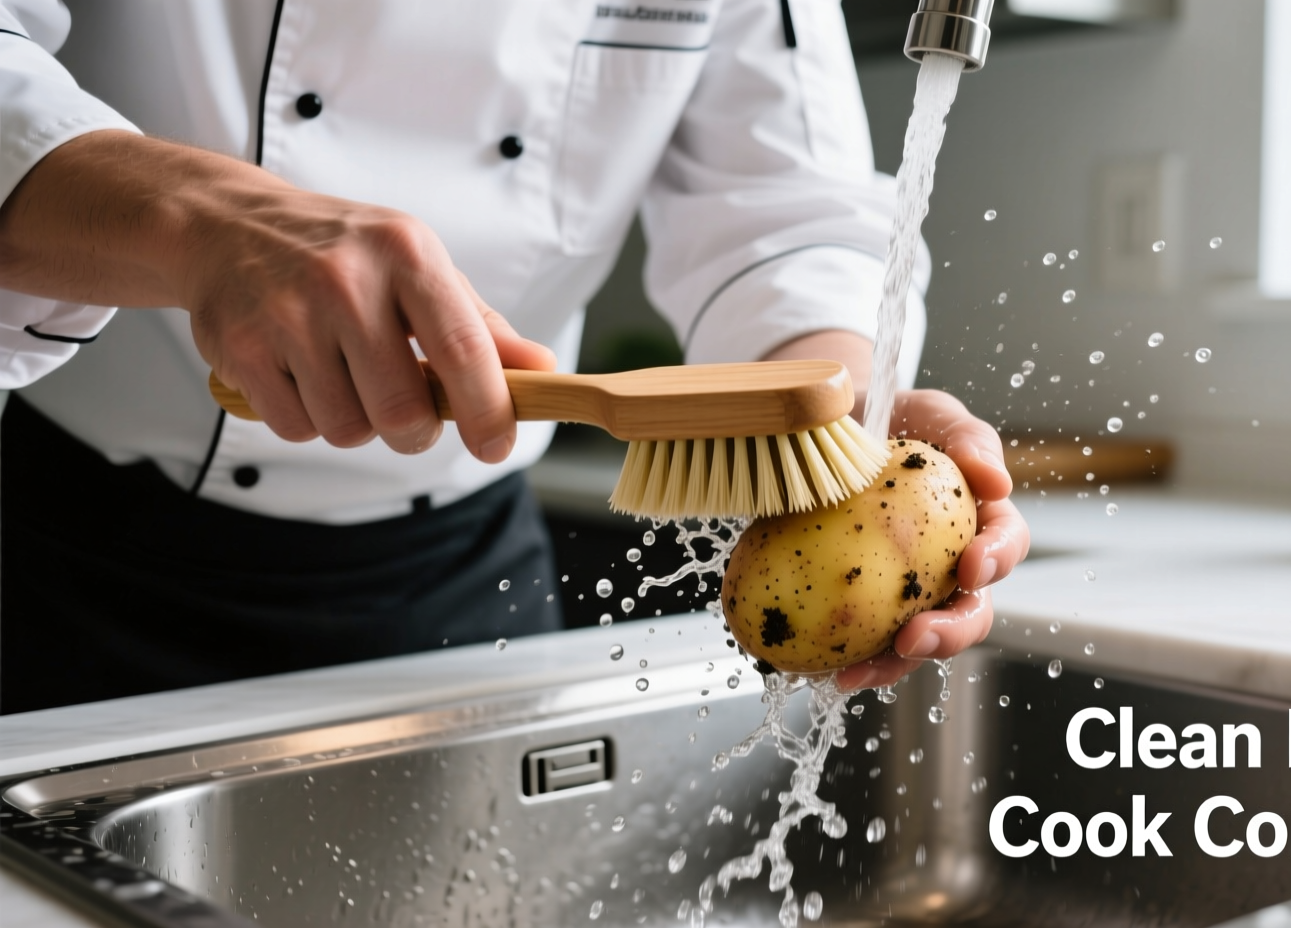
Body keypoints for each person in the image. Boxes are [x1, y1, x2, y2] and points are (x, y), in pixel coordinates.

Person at [0, 0, 1029, 713]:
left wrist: (839, 424)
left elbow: (782, 211)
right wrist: (196, 220)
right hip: (63, 568)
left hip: (465, 592)